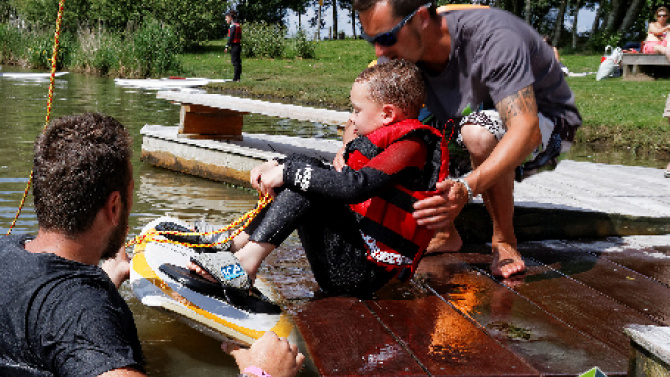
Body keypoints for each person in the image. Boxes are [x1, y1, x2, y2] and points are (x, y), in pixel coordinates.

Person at [0, 113, 304, 377]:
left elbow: (44, 330)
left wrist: (107, 279)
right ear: (113, 206)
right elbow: (73, 324)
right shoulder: (81, 314)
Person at [172, 60, 447, 298]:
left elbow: (354, 188)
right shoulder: (389, 137)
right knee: (307, 169)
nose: (351, 118)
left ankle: (243, 267)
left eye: (357, 110)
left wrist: (288, 172)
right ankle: (234, 245)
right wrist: (281, 165)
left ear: (387, 114)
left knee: (308, 183)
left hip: (360, 274)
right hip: (352, 256)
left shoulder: (412, 145)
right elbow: (325, 175)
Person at [348, 0, 581, 278]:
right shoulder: (405, 48)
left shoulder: (493, 39)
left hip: (542, 122)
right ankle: (445, 232)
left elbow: (525, 129)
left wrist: (466, 188)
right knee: (402, 124)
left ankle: (504, 240)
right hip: (472, 113)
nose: (379, 51)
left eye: (386, 38)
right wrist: (349, 151)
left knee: (478, 133)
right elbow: (372, 114)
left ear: (421, 18)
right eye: (371, 40)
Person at [225, 10, 242, 82]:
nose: (226, 20)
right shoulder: (238, 25)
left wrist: (227, 46)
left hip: (234, 46)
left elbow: (231, 37)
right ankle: (238, 78)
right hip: (238, 45)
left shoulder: (233, 26)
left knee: (235, 62)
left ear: (230, 18)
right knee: (238, 62)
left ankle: (235, 78)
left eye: (226, 18)